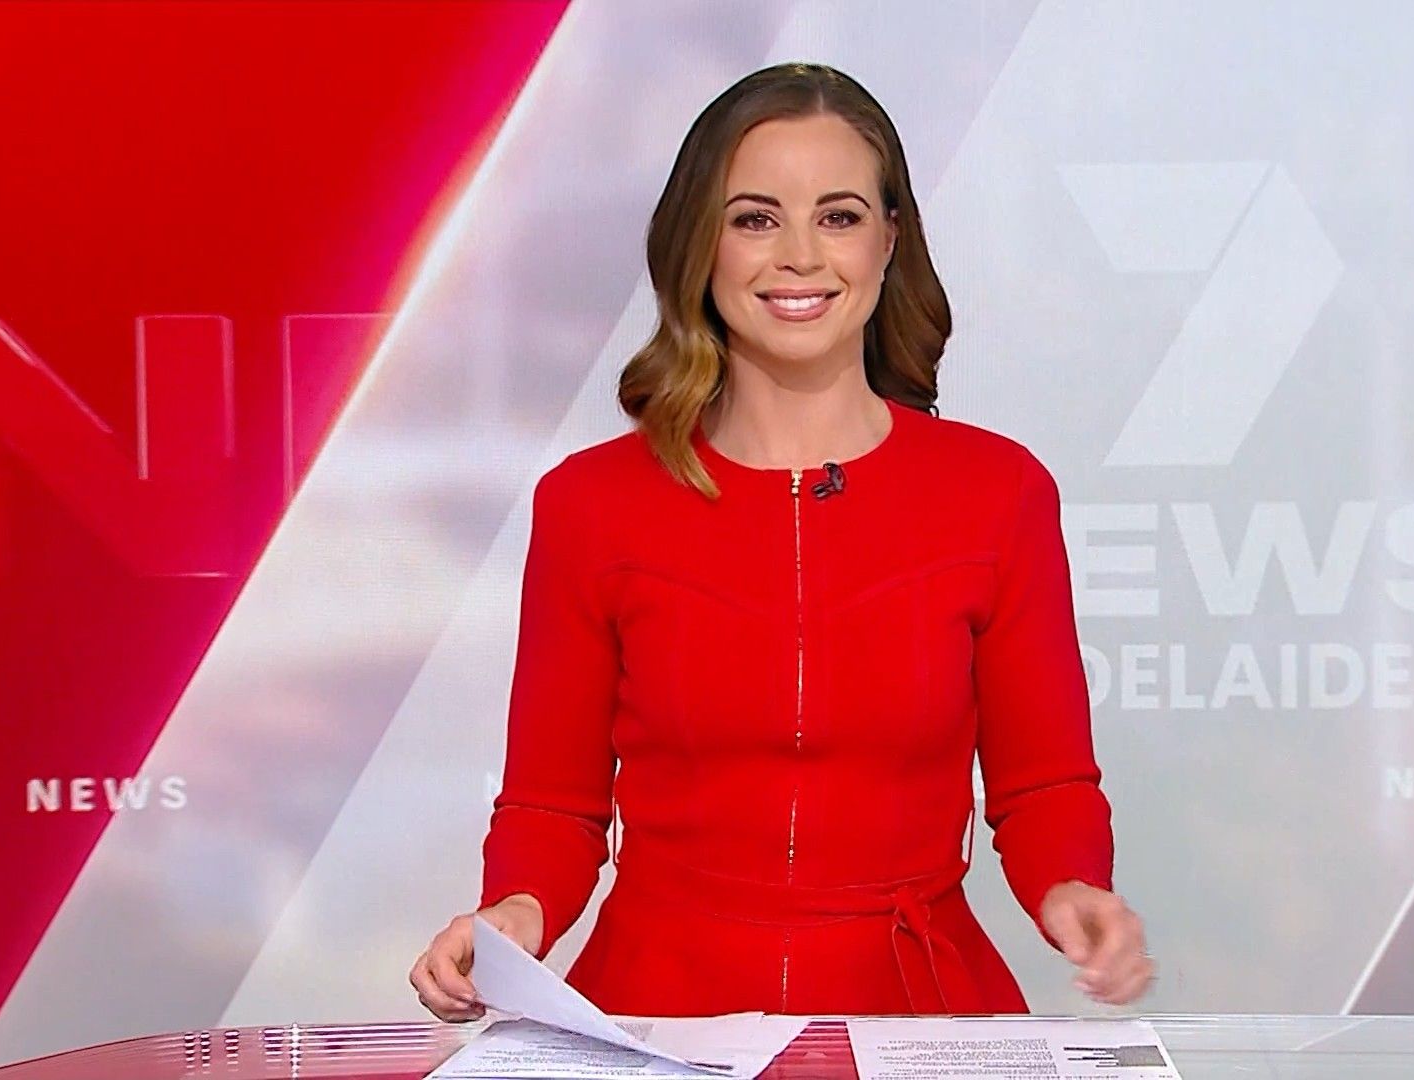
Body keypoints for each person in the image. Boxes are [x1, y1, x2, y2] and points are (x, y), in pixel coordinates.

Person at [412, 61, 1154, 1020]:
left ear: (889, 239)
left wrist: (1072, 886)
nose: (799, 256)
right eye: (755, 219)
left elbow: (1044, 783)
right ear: (699, 243)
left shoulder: (998, 493)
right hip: (656, 1012)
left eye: (838, 217)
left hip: (915, 1010)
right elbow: (551, 803)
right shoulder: (589, 504)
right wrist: (515, 911)